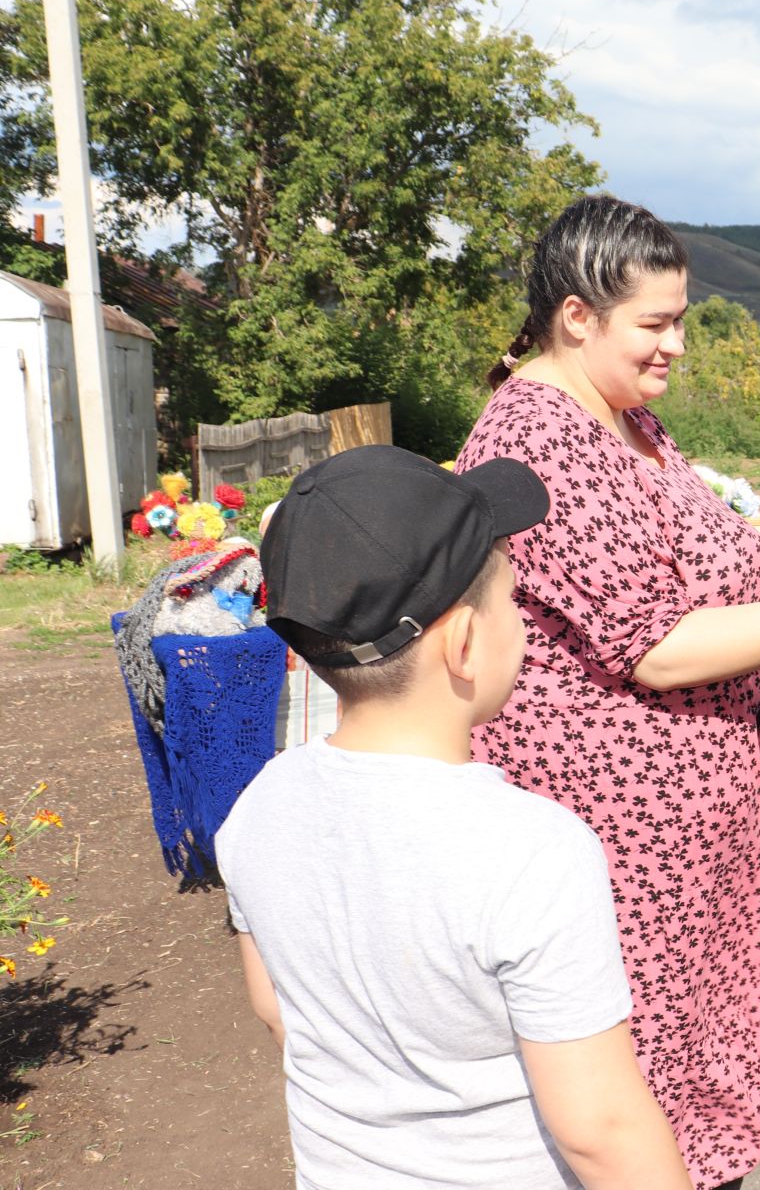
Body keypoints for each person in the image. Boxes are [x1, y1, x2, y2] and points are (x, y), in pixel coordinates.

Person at [455, 194, 760, 1188]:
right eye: (656, 322)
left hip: (691, 827)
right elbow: (656, 647)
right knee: (635, 1097)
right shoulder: (536, 441)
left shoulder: (624, 416)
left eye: (682, 317)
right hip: (623, 840)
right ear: (575, 316)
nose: (677, 343)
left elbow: (688, 588)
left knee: (693, 1087)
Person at [217, 446, 693, 1189]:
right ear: (466, 642)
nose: (519, 619)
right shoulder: (533, 851)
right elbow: (600, 1127)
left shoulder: (257, 806)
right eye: (510, 599)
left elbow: (274, 1010)